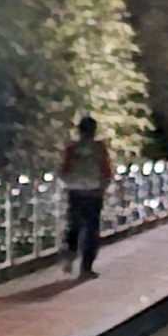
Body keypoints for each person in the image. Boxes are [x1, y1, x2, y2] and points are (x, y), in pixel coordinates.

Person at [58, 114, 115, 279]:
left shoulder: (71, 148)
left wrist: (68, 182)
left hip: (75, 191)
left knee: (74, 225)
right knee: (91, 229)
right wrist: (104, 185)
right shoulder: (99, 148)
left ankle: (69, 255)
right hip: (93, 192)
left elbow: (63, 169)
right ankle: (86, 267)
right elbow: (106, 169)